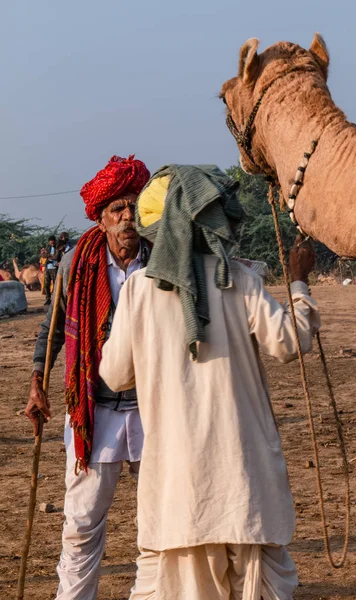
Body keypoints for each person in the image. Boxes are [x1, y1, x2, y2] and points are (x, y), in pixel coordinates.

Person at [100, 165, 321, 600]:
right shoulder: (240, 279)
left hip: (177, 487)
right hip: (245, 479)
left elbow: (113, 373)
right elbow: (288, 343)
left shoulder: (138, 291)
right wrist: (299, 281)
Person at [24, 155, 151, 600]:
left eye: (134, 208)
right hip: (93, 411)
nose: (127, 219)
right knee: (81, 524)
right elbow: (53, 327)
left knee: (159, 522)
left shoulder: (161, 260)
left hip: (155, 410)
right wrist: (38, 380)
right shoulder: (78, 263)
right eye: (118, 210)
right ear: (101, 218)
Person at [43, 235, 59, 305]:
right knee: (46, 284)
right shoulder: (48, 248)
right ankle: (48, 298)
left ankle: (55, 298)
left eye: (53, 243)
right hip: (47, 268)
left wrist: (49, 256)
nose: (52, 244)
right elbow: (43, 255)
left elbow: (57, 257)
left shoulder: (58, 248)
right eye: (51, 243)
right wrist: (51, 255)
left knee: (56, 284)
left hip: (55, 268)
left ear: (55, 241)